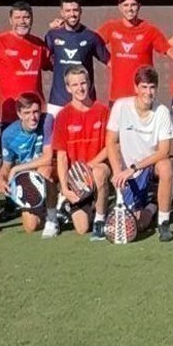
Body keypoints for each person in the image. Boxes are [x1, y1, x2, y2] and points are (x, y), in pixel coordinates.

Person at [106, 65, 173, 241]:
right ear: (136, 88)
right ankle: (152, 205)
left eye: (152, 87)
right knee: (136, 226)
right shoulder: (121, 107)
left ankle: (164, 222)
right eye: (144, 87)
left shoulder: (162, 112)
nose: (148, 92)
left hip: (150, 166)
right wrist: (117, 173)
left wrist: (133, 168)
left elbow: (164, 151)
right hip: (128, 173)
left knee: (166, 166)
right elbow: (111, 142)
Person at [51, 65, 112, 238]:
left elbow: (110, 147)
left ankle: (100, 219)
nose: (80, 88)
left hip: (96, 169)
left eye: (83, 83)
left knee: (100, 172)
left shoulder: (103, 111)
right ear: (68, 88)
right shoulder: (63, 115)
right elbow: (61, 157)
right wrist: (65, 188)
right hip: (76, 180)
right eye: (75, 85)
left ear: (90, 83)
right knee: (82, 228)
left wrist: (89, 168)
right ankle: (73, 206)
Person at [0, 92, 57, 236]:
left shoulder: (47, 120)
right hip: (28, 181)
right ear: (19, 114)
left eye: (36, 111)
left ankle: (52, 218)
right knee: (30, 227)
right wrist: (1, 177)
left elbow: (48, 158)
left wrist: (17, 168)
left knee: (44, 171)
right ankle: (55, 209)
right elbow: (6, 166)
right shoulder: (9, 135)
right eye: (27, 112)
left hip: (52, 170)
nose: (33, 117)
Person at [97, 0, 170, 104]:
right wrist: (108, 60)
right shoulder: (111, 27)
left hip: (143, 97)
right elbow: (90, 42)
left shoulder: (150, 30)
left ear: (139, 6)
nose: (129, 9)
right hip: (117, 97)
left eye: (133, 5)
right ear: (120, 7)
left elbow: (171, 51)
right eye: (125, 5)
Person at [0, 1, 49, 125]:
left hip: (35, 115)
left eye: (26, 17)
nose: (22, 21)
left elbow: (56, 65)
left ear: (31, 19)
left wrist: (59, 32)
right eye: (17, 18)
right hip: (8, 114)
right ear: (11, 20)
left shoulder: (39, 44)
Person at [43, 0, 110, 116]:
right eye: (67, 11)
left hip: (85, 102)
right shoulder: (52, 35)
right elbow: (43, 61)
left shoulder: (91, 37)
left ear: (81, 11)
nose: (72, 14)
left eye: (75, 10)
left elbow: (111, 62)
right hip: (57, 103)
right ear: (62, 13)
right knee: (53, 135)